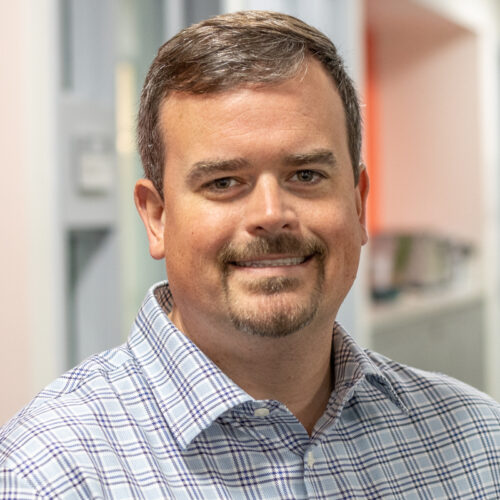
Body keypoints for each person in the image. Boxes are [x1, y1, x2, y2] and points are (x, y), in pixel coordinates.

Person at [1, 10, 499, 499]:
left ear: (358, 203)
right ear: (156, 217)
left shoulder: (478, 442)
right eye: (223, 182)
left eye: (306, 175)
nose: (270, 213)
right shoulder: (48, 474)